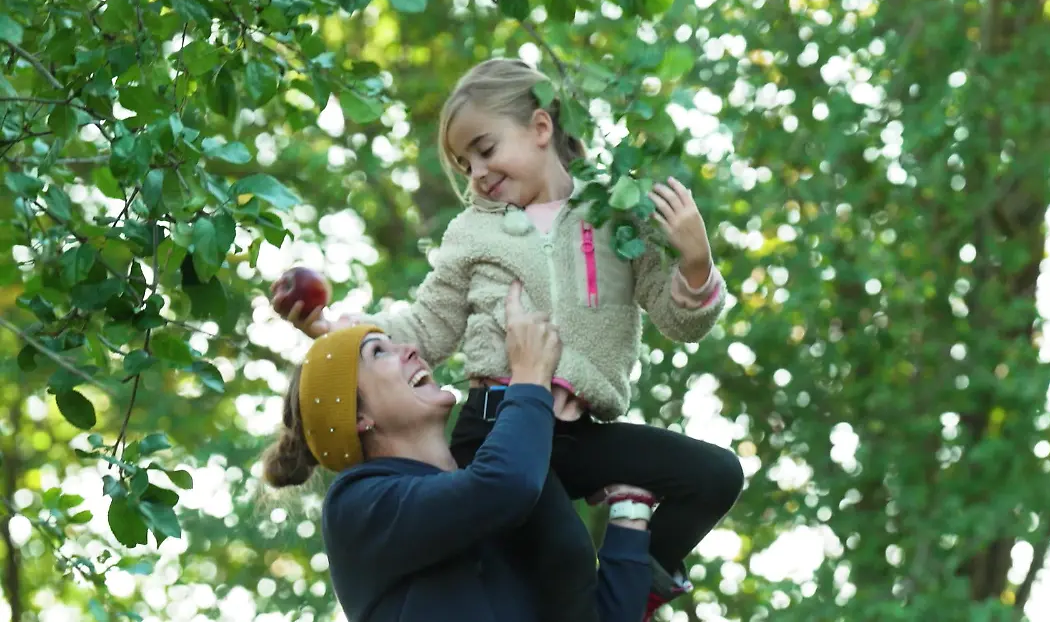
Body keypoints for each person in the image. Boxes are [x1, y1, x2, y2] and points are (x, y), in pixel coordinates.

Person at [273, 58, 744, 621]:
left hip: (576, 431)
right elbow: (426, 327)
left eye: (485, 149)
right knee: (568, 558)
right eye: (463, 163)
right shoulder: (474, 232)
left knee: (716, 476)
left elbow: (679, 320)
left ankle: (643, 582)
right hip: (499, 425)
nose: (476, 172)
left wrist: (695, 262)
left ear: (540, 128)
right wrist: (340, 331)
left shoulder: (617, 215)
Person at [260, 283, 657, 621]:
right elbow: (504, 484)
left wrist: (630, 513)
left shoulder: (494, 498)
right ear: (357, 415)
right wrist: (529, 378)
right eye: (378, 352)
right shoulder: (357, 505)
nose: (412, 349)